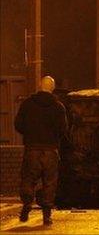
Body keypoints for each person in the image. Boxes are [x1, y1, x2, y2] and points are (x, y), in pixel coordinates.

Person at [14, 76, 68, 226]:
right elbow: (63, 130)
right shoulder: (58, 107)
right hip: (50, 150)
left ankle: (27, 202)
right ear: (53, 88)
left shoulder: (27, 104)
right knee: (49, 182)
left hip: (32, 149)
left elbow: (18, 124)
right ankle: (46, 215)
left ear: (40, 86)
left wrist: (30, 133)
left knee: (28, 178)